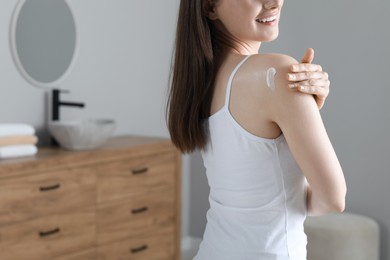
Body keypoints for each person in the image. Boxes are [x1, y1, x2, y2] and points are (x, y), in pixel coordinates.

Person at [167, 0, 347, 259]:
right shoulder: (276, 73)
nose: (273, 2)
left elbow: (257, 173)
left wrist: (306, 110)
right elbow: (333, 198)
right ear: (210, 8)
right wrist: (302, 108)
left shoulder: (200, 82)